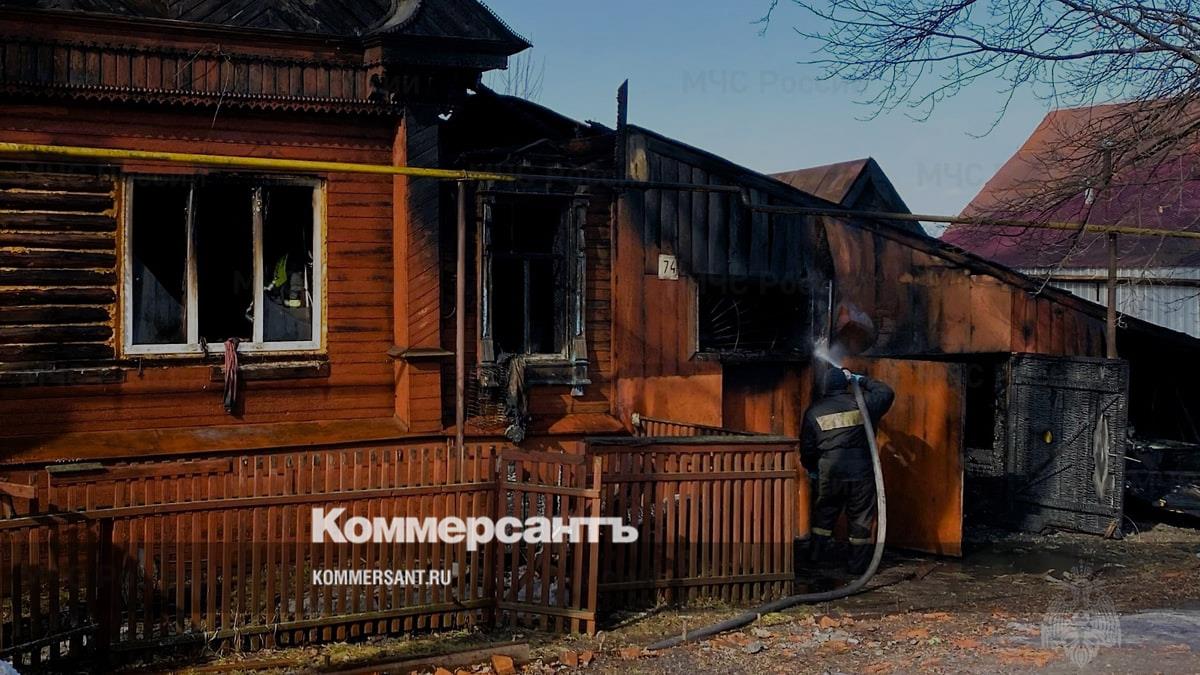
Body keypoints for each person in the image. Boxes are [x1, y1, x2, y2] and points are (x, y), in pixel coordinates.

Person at [801, 367, 895, 575]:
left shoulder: (814, 411)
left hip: (829, 469)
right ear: (846, 384)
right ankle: (857, 566)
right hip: (861, 469)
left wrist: (812, 468)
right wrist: (860, 379)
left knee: (824, 513)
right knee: (861, 516)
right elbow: (886, 392)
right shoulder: (863, 404)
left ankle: (815, 557)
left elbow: (807, 447)